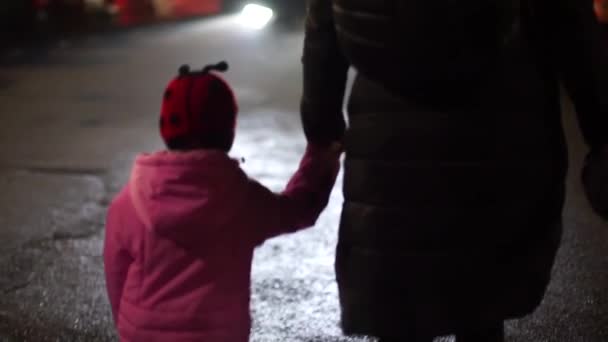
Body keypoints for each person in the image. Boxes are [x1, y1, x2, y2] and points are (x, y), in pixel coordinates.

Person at [300, 0, 608, 341]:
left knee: (399, 306)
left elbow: (322, 33)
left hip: (388, 143)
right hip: (499, 133)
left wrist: (321, 127)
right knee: (481, 303)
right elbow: (577, 38)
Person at [104, 62, 341, 342]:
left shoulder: (129, 201)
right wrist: (321, 158)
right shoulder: (242, 199)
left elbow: (116, 274)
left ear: (167, 129)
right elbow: (299, 209)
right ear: (227, 130)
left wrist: (127, 325)